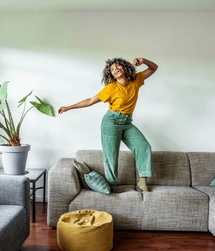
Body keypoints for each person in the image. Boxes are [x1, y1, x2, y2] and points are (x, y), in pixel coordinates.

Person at [59, 57, 158, 192]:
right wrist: (69, 107)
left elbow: (154, 68)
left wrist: (143, 60)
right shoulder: (111, 88)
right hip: (111, 122)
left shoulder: (136, 80)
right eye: (112, 69)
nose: (115, 69)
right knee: (111, 155)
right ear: (110, 74)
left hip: (127, 122)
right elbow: (90, 100)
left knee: (143, 146)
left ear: (124, 67)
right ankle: (111, 186)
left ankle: (142, 181)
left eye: (118, 66)